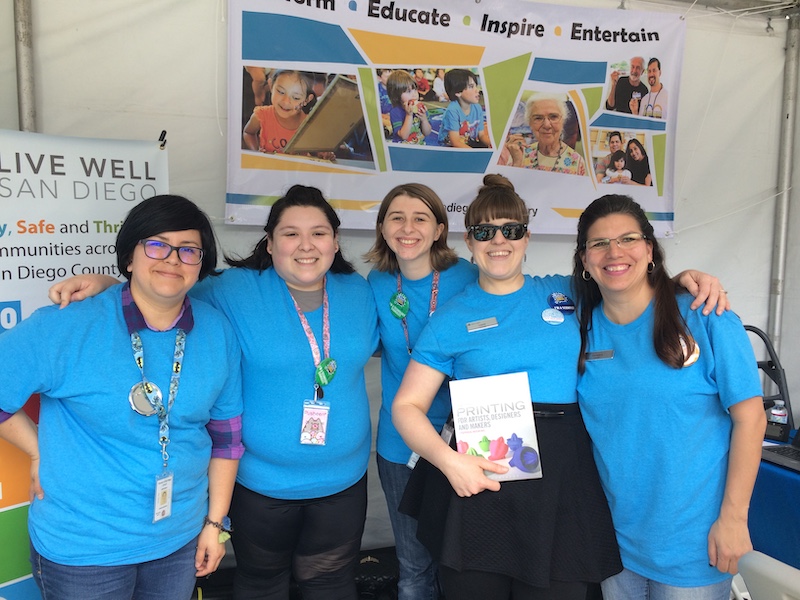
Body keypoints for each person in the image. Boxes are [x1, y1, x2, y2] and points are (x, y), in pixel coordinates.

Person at [49, 185, 380, 600]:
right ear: (271, 241)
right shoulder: (232, 289)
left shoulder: (361, 292)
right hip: (259, 483)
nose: (306, 245)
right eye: (290, 233)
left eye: (319, 232)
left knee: (331, 584)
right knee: (262, 583)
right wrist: (106, 284)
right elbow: (164, 289)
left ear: (335, 241)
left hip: (343, 481)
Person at [391, 174, 623, 599]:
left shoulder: (567, 292)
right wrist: (450, 463)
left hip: (562, 483)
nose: (499, 240)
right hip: (482, 479)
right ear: (470, 241)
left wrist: (688, 281)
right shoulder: (450, 318)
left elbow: (635, 288)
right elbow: (406, 406)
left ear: (526, 236)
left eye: (511, 230)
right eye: (485, 231)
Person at [0, 194, 244, 600]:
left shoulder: (217, 333)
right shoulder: (68, 325)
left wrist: (215, 525)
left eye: (188, 250)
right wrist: (40, 450)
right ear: (129, 256)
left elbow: (227, 438)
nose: (172, 259)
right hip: (85, 549)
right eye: (156, 245)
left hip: (178, 539)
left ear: (201, 264)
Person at [572, 194, 766, 600]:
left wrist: (734, 518)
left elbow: (751, 418)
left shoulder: (706, 315)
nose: (614, 252)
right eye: (598, 243)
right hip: (617, 545)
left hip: (693, 546)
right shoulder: (580, 329)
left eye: (627, 239)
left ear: (649, 249)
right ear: (585, 261)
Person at [364, 183, 478, 600]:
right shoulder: (376, 284)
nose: (407, 227)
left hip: (467, 442)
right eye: (396, 217)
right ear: (382, 227)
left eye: (420, 218)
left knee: (462, 563)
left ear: (439, 229)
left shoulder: (469, 277)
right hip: (401, 446)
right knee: (413, 566)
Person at [503, 93, 586, 175]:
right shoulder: (519, 155)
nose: (546, 125)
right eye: (538, 118)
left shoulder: (576, 162)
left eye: (553, 117)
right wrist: (517, 163)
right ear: (530, 123)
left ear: (563, 121)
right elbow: (509, 187)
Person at [243, 70, 314, 153]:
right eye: (281, 92)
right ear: (271, 85)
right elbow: (248, 133)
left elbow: (318, 149)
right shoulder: (262, 115)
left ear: (306, 100)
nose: (286, 101)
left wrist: (323, 153)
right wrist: (256, 151)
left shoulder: (309, 123)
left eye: (296, 97)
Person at [438, 68, 491, 148]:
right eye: (471, 86)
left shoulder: (477, 108)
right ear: (458, 92)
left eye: (476, 86)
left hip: (467, 143)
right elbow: (455, 142)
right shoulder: (452, 110)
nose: (477, 90)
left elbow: (481, 135)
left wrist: (493, 146)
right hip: (450, 147)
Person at [387, 70, 433, 145]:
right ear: (396, 95)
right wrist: (409, 115)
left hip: (419, 145)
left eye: (415, 89)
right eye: (408, 91)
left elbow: (427, 133)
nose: (414, 94)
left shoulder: (420, 108)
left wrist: (424, 119)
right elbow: (404, 136)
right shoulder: (395, 112)